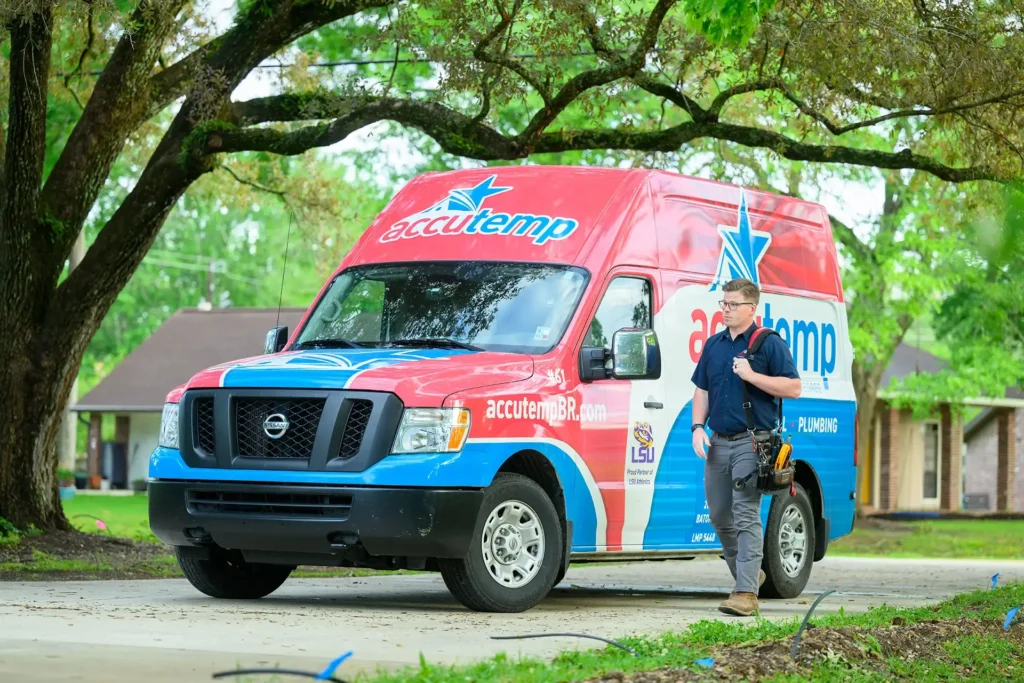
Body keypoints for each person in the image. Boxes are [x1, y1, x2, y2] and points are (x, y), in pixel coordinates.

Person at [690, 278, 801, 616]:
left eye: (733, 304)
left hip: (752, 444)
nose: (726, 309)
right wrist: (697, 427)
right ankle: (749, 575)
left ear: (752, 308)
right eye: (723, 303)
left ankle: (744, 593)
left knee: (744, 514)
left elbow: (793, 387)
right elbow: (702, 390)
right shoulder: (714, 345)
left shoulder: (769, 344)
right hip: (718, 443)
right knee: (720, 515)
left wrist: (752, 376)